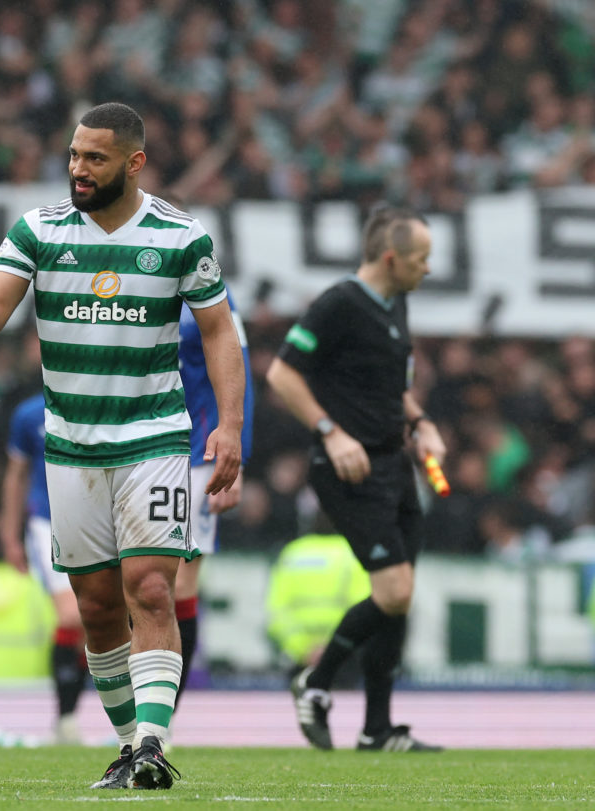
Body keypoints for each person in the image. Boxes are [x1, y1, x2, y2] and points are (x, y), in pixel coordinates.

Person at [0, 101, 245, 790]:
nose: (78, 168)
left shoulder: (179, 236)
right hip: (72, 447)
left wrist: (227, 425)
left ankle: (152, 740)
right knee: (98, 607)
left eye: (95, 158)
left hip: (154, 437)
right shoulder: (39, 230)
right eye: (75, 155)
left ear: (133, 163)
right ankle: (128, 744)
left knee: (149, 588)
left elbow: (221, 332)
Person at [265, 204, 445, 753]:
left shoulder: (397, 303)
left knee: (398, 598)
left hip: (396, 464)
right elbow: (281, 373)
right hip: (351, 466)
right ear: (391, 258)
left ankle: (378, 729)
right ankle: (315, 683)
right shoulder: (339, 304)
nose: (428, 269)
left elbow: (394, 388)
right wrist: (330, 432)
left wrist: (421, 423)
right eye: (421, 259)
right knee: (394, 590)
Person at [174, 286, 256, 710]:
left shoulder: (212, 294)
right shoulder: (124, 279)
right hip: (129, 447)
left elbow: (238, 367)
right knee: (128, 581)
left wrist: (236, 453)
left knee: (177, 583)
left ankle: (161, 719)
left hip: (196, 454)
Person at [1, 390, 87, 744]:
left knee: (97, 619)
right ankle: (66, 719)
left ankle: (84, 713)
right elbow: (16, 475)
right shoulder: (29, 414)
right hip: (46, 522)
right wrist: (10, 536)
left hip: (101, 521)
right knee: (71, 617)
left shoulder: (103, 400)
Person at [265, 528, 371, 685]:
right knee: (346, 706)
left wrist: (302, 649)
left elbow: (276, 611)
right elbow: (364, 609)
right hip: (343, 659)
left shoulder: (293, 552)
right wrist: (335, 649)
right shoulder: (352, 551)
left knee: (301, 705)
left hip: (300, 659)